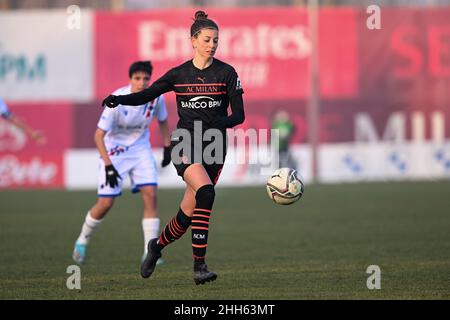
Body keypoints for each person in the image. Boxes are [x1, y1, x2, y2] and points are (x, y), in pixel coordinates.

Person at [102, 11, 245, 285]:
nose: (212, 44)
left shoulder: (227, 73)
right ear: (193, 40)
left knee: (186, 215)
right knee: (206, 192)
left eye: (216, 40)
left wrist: (219, 122)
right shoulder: (180, 74)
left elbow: (239, 116)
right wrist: (119, 100)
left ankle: (156, 246)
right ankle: (199, 267)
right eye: (206, 39)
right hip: (186, 141)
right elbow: (147, 94)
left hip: (214, 146)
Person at [72, 61, 171, 265]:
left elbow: (162, 121)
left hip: (140, 150)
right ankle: (82, 240)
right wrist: (108, 165)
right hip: (114, 153)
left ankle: (149, 251)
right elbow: (98, 136)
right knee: (106, 204)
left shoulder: (155, 98)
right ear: (130, 79)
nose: (142, 83)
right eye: (137, 78)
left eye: (146, 78)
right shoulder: (117, 101)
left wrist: (168, 146)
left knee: (151, 195)